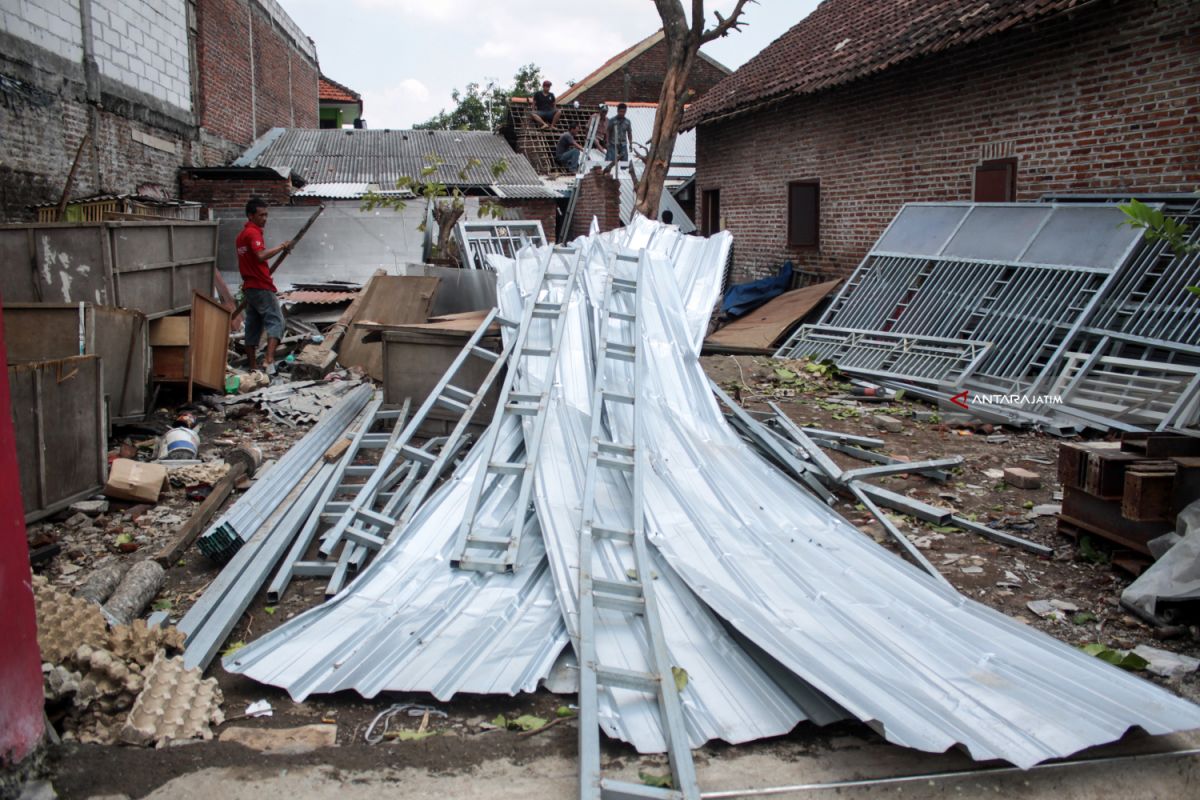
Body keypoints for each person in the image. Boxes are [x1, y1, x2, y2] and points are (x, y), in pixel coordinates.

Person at [236, 197, 292, 376]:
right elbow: (260, 256)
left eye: (266, 215)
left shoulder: (240, 237)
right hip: (261, 285)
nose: (265, 219)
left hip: (250, 287)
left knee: (253, 325)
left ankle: (253, 367)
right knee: (276, 321)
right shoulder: (253, 233)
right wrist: (281, 247)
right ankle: (268, 361)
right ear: (251, 215)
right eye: (261, 215)